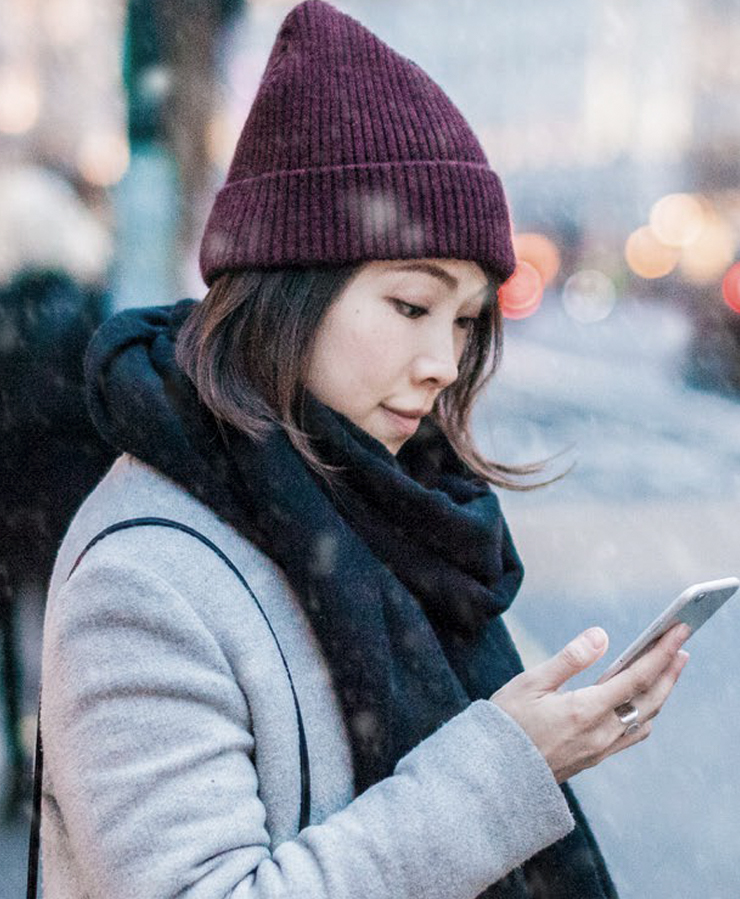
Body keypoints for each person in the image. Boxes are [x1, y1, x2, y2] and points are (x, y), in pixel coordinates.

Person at [39, 2, 690, 897]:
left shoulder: (382, 505)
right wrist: (504, 769)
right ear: (291, 288)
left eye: (465, 321)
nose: (442, 364)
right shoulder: (148, 574)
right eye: (411, 306)